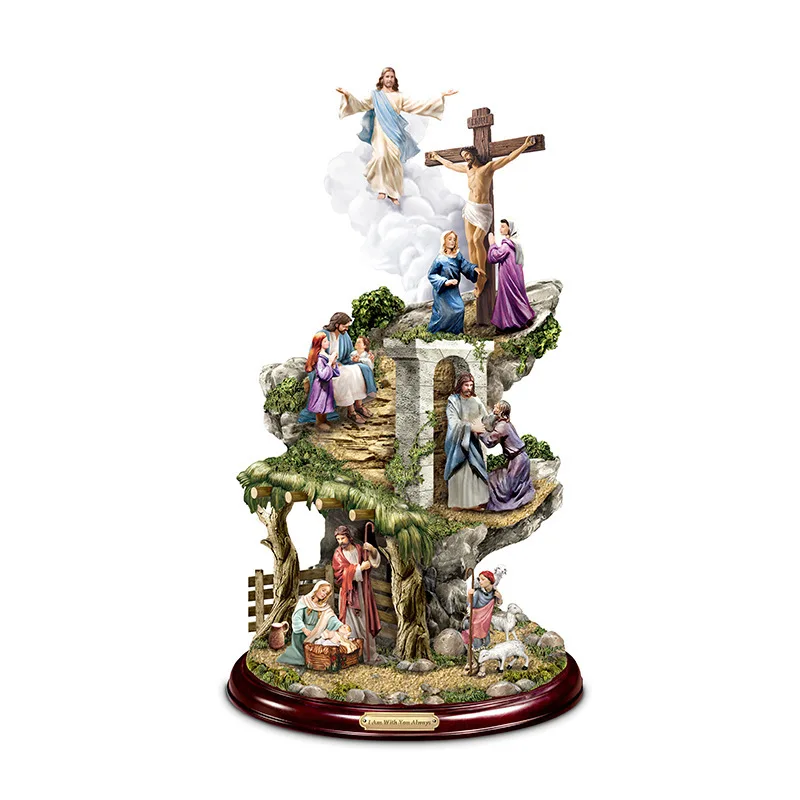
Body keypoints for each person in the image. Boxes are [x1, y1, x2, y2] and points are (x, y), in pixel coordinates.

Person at [429, 137, 535, 297]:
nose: (466, 158)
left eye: (467, 155)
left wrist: (525, 145)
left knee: (478, 239)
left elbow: (508, 158)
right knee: (470, 242)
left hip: (483, 209)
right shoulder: (468, 170)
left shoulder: (488, 168)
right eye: (464, 156)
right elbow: (450, 165)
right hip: (470, 208)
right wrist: (437, 157)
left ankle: (483, 274)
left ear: (474, 154)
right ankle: (476, 275)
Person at [337, 67, 457, 204]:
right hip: (380, 132)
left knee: (394, 161)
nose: (389, 79)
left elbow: (418, 105)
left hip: (395, 133)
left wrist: (440, 96)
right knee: (380, 157)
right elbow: (360, 104)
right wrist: (347, 95)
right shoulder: (375, 96)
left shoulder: (399, 97)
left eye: (392, 77)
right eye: (387, 76)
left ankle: (393, 193)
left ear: (395, 79)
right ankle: (381, 189)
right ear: (382, 79)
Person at [297, 312, 377, 426]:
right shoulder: (323, 335)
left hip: (340, 365)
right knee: (346, 376)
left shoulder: (344, 335)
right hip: (328, 368)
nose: (347, 329)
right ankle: (351, 411)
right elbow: (316, 355)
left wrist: (358, 357)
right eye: (345, 326)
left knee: (357, 370)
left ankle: (358, 405)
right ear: (337, 324)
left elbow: (348, 355)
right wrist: (332, 362)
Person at [331, 525, 382, 664]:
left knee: (365, 622)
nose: (340, 542)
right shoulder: (338, 554)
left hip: (362, 591)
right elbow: (340, 575)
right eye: (338, 539)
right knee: (350, 624)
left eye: (342, 538)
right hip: (348, 594)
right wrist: (360, 568)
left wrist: (372, 550)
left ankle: (368, 654)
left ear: (349, 537)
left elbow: (374, 562)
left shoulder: (359, 549)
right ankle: (352, 655)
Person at [479, 401, 536, 511]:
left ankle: (507, 504)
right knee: (502, 479)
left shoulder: (502, 426)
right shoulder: (504, 423)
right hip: (518, 459)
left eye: (496, 406)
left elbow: (489, 442)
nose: (494, 406)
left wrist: (479, 432)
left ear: (501, 411)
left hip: (518, 460)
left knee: (508, 487)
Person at [444, 373, 489, 510]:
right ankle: (458, 503)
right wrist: (470, 427)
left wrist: (481, 425)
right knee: (459, 471)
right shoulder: (453, 401)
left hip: (472, 442)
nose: (469, 388)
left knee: (474, 469)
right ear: (460, 385)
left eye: (471, 385)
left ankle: (475, 502)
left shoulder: (476, 400)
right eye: (466, 385)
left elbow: (485, 418)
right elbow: (453, 422)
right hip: (458, 443)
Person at [277, 580, 343, 667]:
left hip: (316, 633)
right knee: (302, 656)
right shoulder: (304, 601)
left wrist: (341, 626)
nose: (324, 594)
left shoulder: (324, 607)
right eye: (323, 590)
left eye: (326, 593)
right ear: (317, 588)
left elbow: (331, 618)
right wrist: (305, 630)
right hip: (302, 633)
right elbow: (297, 618)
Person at [487, 219, 536, 331]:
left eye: (503, 226)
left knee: (509, 297)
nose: (500, 229)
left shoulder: (507, 245)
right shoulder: (515, 243)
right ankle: (522, 318)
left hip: (508, 276)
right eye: (500, 226)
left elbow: (495, 256)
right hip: (515, 275)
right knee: (515, 296)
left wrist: (492, 244)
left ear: (510, 229)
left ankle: (515, 322)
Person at [427, 231, 479, 334]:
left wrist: (473, 269)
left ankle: (456, 333)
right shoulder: (440, 259)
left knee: (460, 309)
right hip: (442, 292)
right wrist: (445, 282)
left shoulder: (457, 256)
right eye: (449, 239)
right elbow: (431, 274)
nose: (452, 242)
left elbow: (465, 265)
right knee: (444, 314)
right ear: (444, 241)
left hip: (453, 291)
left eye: (454, 239)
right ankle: (437, 332)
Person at [304, 332, 339, 432]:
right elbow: (323, 375)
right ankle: (319, 422)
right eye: (325, 341)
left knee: (326, 402)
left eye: (327, 340)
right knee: (320, 402)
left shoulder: (325, 355)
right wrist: (330, 362)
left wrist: (333, 364)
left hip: (327, 385)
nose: (328, 342)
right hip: (320, 385)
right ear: (319, 343)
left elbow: (335, 373)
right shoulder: (319, 358)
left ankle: (324, 420)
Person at [462, 570, 503, 652]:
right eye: (479, 579)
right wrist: (469, 595)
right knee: (475, 632)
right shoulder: (478, 593)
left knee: (485, 635)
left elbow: (498, 603)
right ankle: (475, 648)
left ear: (490, 580)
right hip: (476, 617)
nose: (480, 581)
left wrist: (499, 598)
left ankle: (484, 646)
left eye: (483, 579)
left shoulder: (494, 592)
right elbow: (470, 605)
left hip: (486, 618)